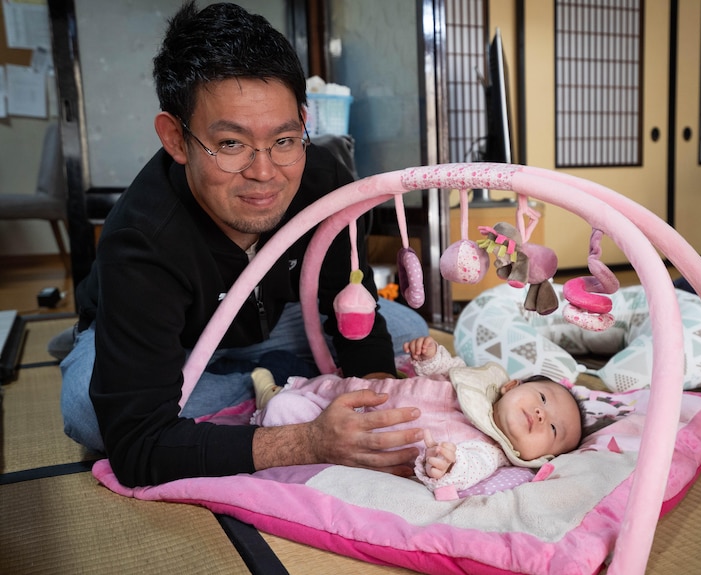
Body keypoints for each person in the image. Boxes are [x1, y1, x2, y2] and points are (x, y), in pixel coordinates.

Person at [59, 1, 428, 488]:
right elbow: (138, 448)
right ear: (175, 138)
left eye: (284, 139)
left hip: (280, 318)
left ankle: (269, 382)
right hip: (182, 337)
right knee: (90, 410)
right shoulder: (141, 237)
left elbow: (346, 303)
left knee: (407, 332)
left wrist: (377, 394)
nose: (264, 173)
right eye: (231, 144)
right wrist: (309, 439)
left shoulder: (326, 184)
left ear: (303, 120)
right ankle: (270, 386)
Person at [251, 336, 586, 500]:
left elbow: (461, 471)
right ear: (511, 385)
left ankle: (271, 397)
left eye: (554, 429)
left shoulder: (489, 452)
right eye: (543, 398)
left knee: (285, 412)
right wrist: (430, 355)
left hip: (356, 438)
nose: (542, 415)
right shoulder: (483, 385)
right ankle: (283, 387)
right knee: (324, 390)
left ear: (538, 456)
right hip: (365, 395)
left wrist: (445, 465)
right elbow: (449, 369)